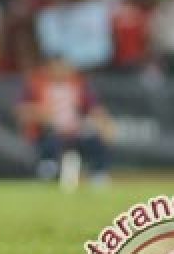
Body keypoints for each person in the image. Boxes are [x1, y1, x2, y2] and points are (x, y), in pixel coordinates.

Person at [16, 55, 114, 183]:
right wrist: (40, 114)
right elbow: (21, 111)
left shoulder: (78, 85)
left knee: (95, 141)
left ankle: (98, 174)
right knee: (50, 141)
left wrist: (104, 123)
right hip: (48, 130)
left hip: (75, 131)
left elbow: (94, 109)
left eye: (64, 67)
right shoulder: (37, 84)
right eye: (57, 67)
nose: (61, 71)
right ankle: (48, 171)